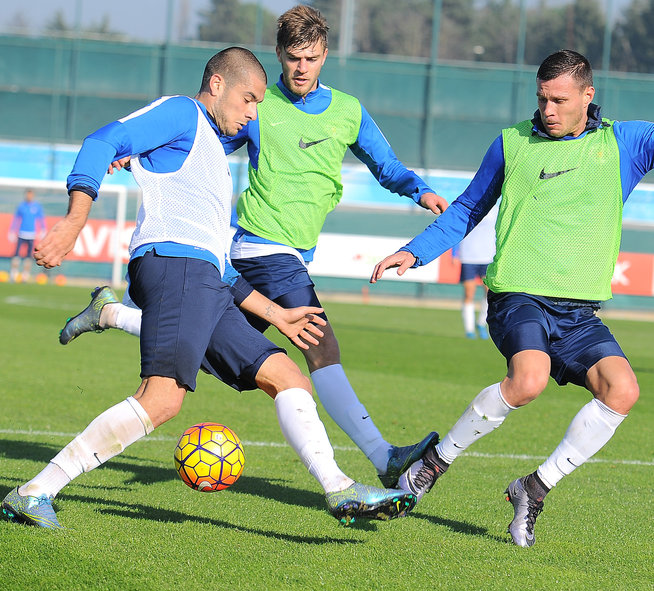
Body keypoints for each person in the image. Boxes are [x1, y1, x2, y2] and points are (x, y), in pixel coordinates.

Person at [1, 47, 416, 530]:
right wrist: (75, 220)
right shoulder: (182, 113)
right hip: (174, 267)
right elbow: (102, 141)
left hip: (205, 279)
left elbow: (219, 267)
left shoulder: (214, 156)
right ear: (217, 85)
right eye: (248, 99)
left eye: (258, 104)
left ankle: (340, 489)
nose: (253, 113)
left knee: (288, 377)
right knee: (162, 399)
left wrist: (277, 315)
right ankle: (35, 492)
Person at [58, 4, 447, 490]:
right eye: (292, 57)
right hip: (262, 247)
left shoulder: (348, 111)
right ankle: (382, 457)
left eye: (310, 58)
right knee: (320, 342)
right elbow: (203, 140)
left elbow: (385, 165)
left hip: (283, 256)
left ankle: (113, 314)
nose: (301, 68)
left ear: (325, 55)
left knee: (206, 340)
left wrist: (420, 191)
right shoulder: (257, 106)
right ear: (279, 54)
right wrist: (134, 151)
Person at [371, 49, 651, 547]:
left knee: (622, 391)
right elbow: (467, 209)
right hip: (518, 296)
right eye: (542, 98)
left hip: (579, 311)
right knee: (529, 380)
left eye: (560, 100)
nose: (548, 109)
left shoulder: (624, 144)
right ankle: (433, 465)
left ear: (588, 95)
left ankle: (533, 489)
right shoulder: (511, 143)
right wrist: (414, 252)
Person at [454, 204, 497, 339]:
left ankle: (481, 323)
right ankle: (469, 329)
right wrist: (454, 253)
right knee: (469, 293)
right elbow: (457, 228)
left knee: (489, 293)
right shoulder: (468, 205)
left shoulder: (497, 208)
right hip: (468, 256)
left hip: (488, 256)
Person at [8, 189, 46, 282]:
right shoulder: (21, 206)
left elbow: (41, 219)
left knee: (28, 256)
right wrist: (12, 230)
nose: (29, 197)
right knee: (16, 255)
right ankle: (13, 274)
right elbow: (16, 219)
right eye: (27, 195)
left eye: (30, 195)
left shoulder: (36, 206)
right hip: (21, 233)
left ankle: (25, 276)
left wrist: (43, 229)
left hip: (31, 235)